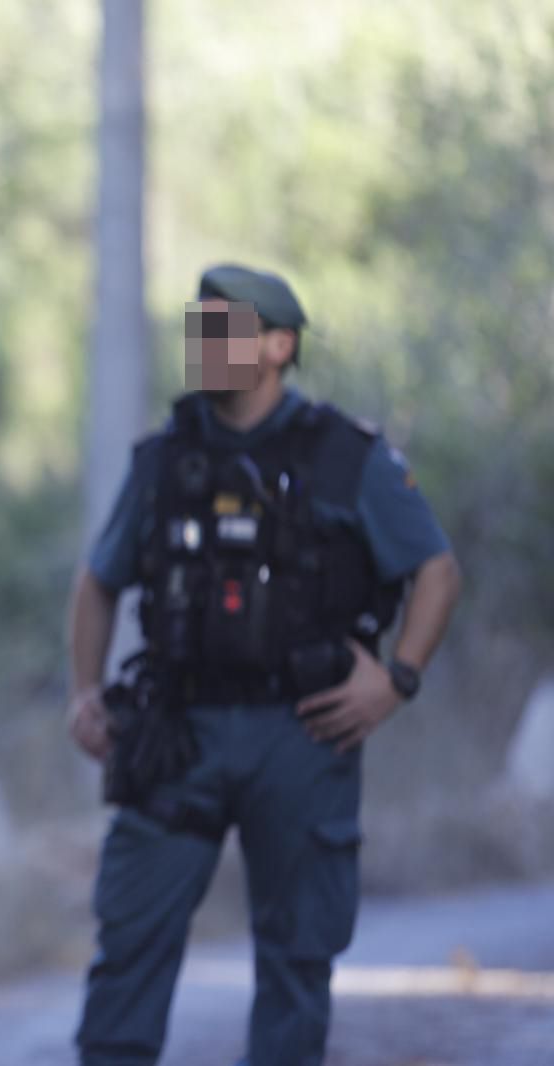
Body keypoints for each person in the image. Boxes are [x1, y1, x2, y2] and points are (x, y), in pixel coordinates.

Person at [66, 263, 463, 1066]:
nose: (205, 344)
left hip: (302, 734)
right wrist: (85, 692)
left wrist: (397, 682)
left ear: (279, 345)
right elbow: (99, 581)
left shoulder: (347, 457)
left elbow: (437, 571)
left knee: (297, 957)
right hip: (175, 733)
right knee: (130, 944)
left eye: (226, 330)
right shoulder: (163, 460)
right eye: (198, 327)